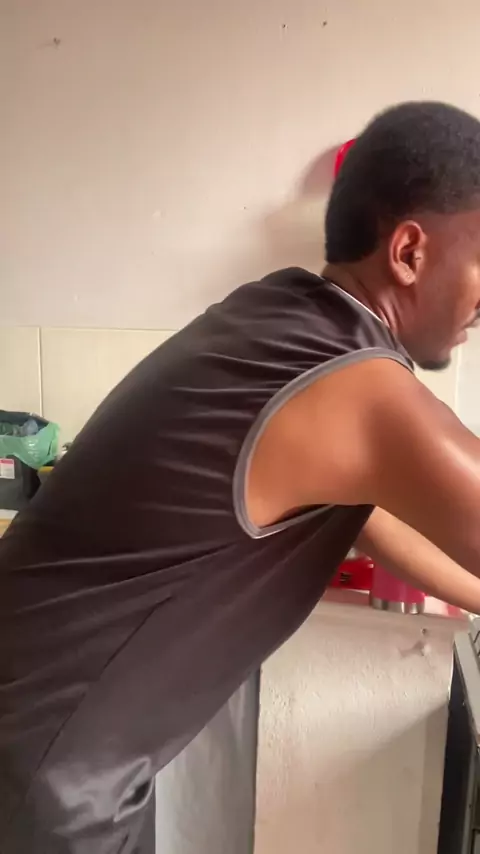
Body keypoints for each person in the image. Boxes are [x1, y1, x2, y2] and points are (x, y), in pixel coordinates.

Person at [3, 100, 480, 853]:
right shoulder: (358, 387)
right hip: (44, 777)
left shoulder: (281, 316)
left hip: (53, 748)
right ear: (410, 252)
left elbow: (375, 518)